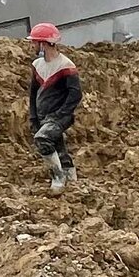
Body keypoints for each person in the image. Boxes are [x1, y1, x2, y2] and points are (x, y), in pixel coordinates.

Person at [28, 22, 82, 191]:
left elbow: (75, 94)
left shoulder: (65, 66)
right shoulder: (38, 65)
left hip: (59, 116)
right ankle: (70, 176)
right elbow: (33, 93)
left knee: (42, 139)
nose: (32, 46)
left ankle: (57, 177)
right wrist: (34, 116)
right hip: (44, 115)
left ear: (43, 44)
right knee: (58, 145)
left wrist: (61, 114)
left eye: (35, 42)